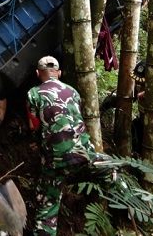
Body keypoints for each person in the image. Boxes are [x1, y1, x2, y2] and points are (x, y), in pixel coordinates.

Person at [27, 56, 99, 236]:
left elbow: (33, 126)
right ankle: (132, 204)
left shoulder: (33, 93)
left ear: (38, 74)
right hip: (85, 153)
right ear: (59, 73)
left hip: (55, 159)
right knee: (110, 172)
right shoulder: (73, 92)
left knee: (48, 204)